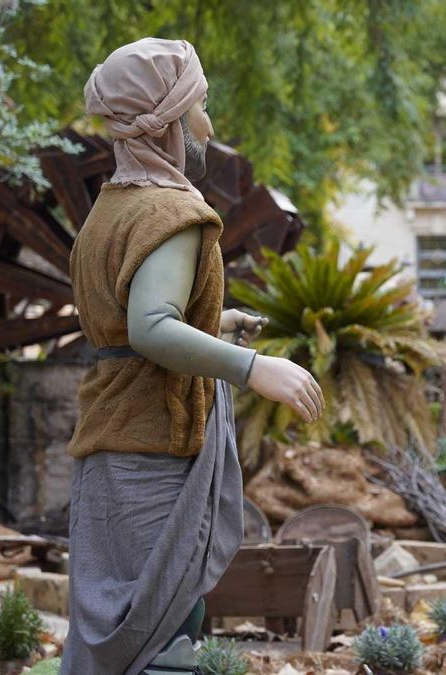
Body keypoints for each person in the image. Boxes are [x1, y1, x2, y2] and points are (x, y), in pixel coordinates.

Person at [63, 38, 323, 675]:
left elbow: (123, 325)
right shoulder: (173, 212)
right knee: (164, 629)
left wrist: (215, 322)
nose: (208, 125)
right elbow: (151, 328)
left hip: (110, 434)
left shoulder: (109, 209)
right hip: (154, 441)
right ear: (168, 122)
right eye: (199, 108)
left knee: (124, 621)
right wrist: (255, 368)